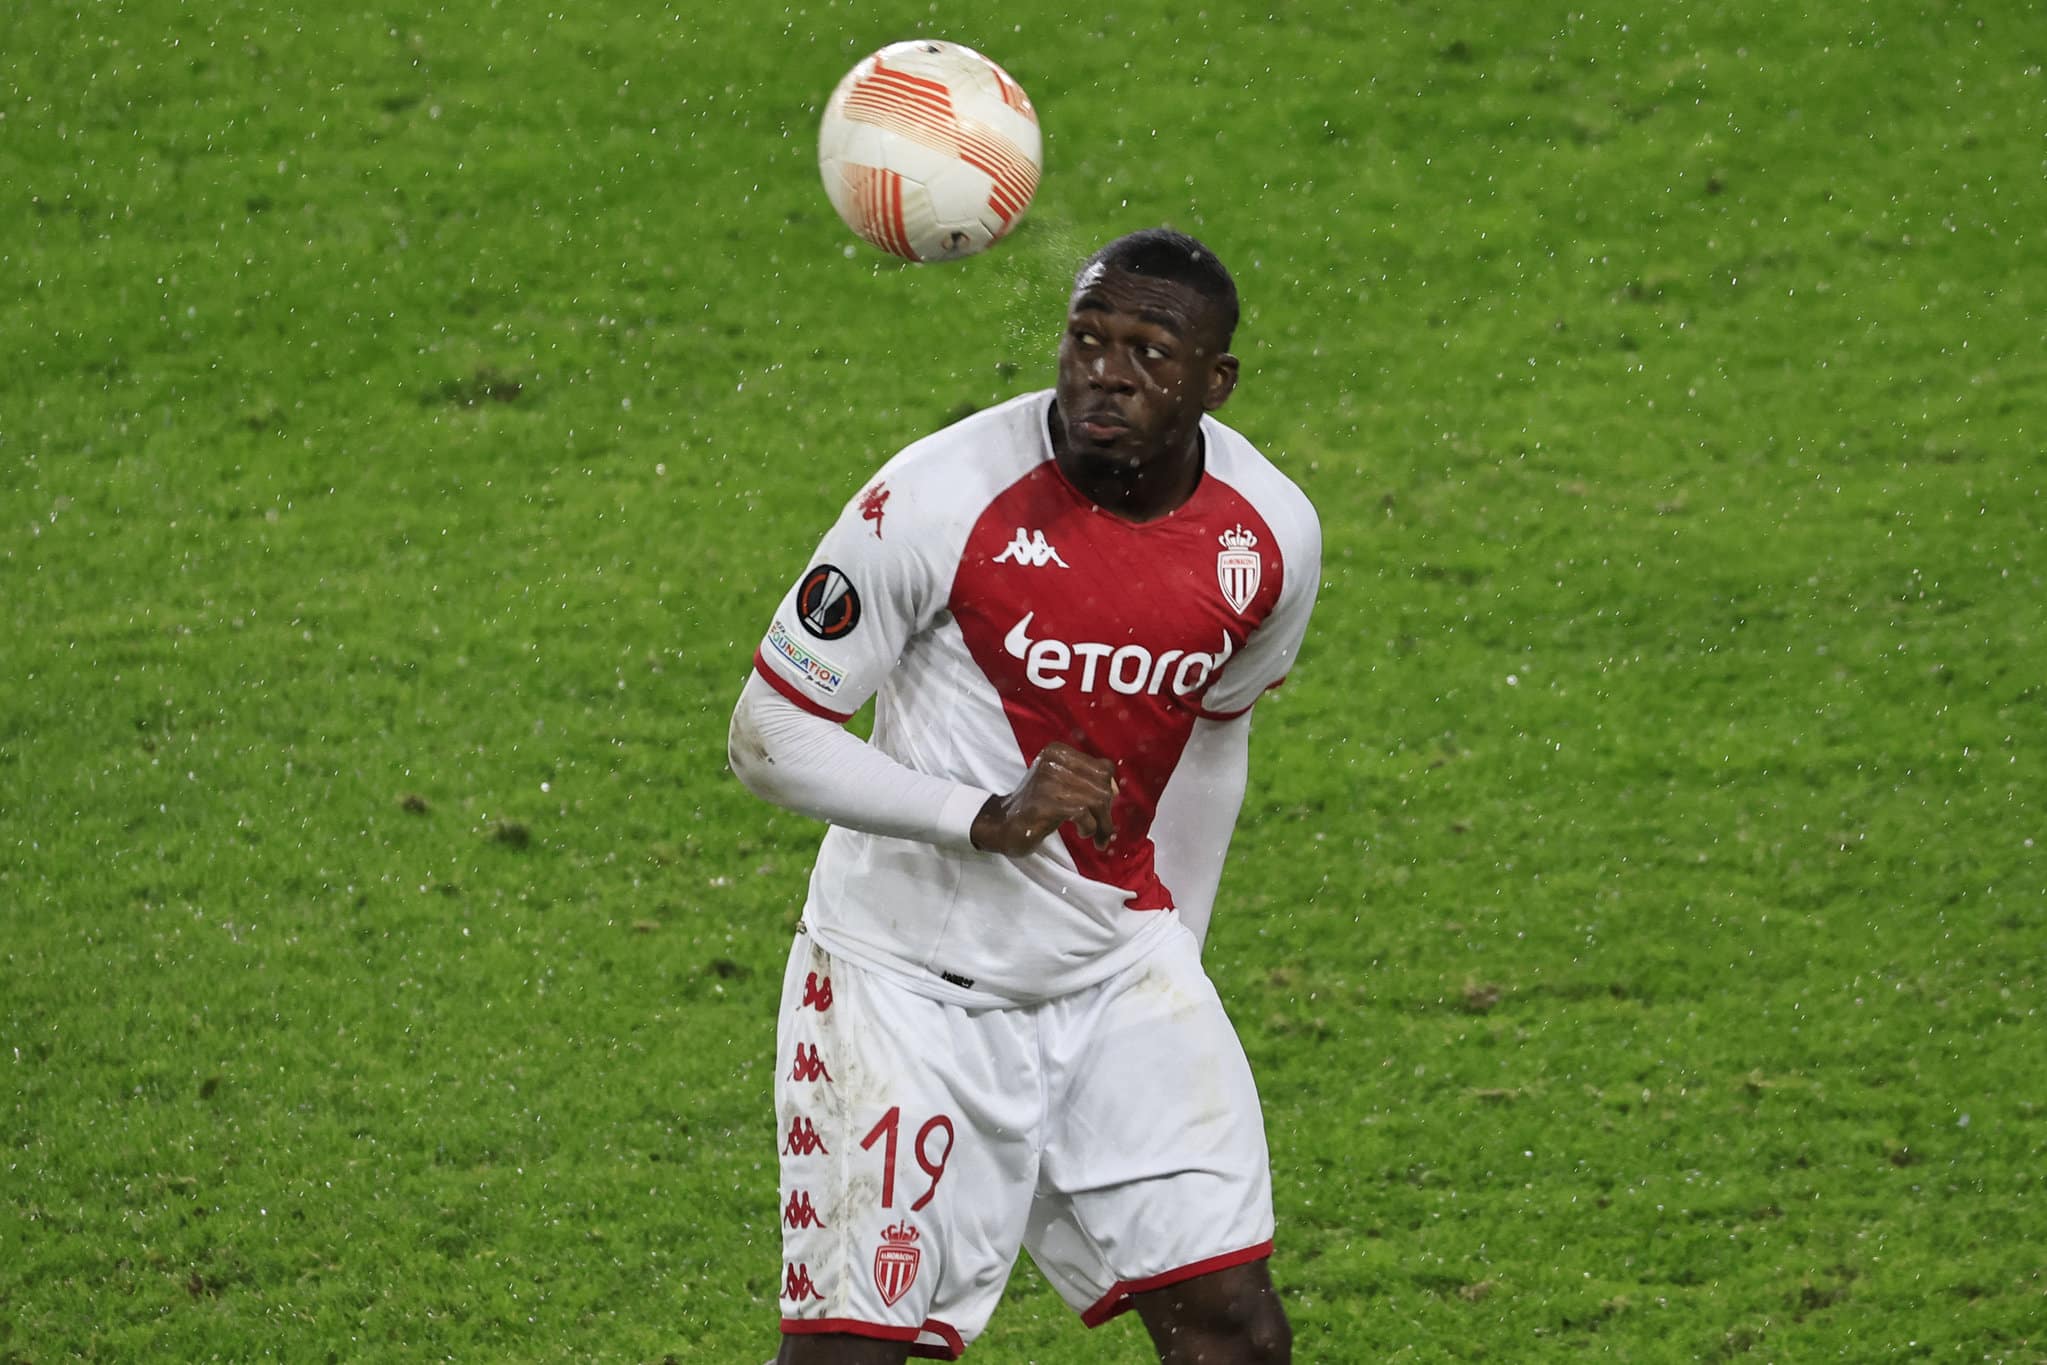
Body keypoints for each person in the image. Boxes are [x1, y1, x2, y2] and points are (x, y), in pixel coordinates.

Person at [728, 227, 1320, 1364]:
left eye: (1149, 353)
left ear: (1215, 382)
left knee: (1236, 1331)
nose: (1107, 373)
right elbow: (768, 734)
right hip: (903, 989)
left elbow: (1214, 736)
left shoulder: (1269, 536)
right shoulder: (935, 499)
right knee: (852, 1355)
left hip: (1114, 978)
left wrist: (1178, 951)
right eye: (1087, 340)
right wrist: (980, 816)